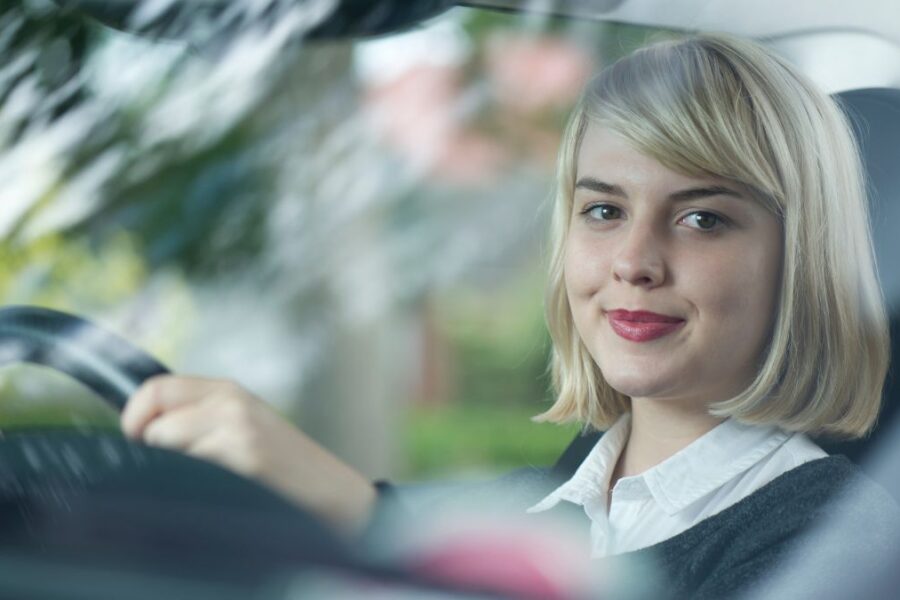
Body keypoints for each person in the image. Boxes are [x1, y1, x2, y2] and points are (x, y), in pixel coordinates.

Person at [120, 32, 898, 596]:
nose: (634, 259)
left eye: (702, 219)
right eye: (603, 210)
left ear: (802, 259)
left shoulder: (830, 549)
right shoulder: (555, 497)